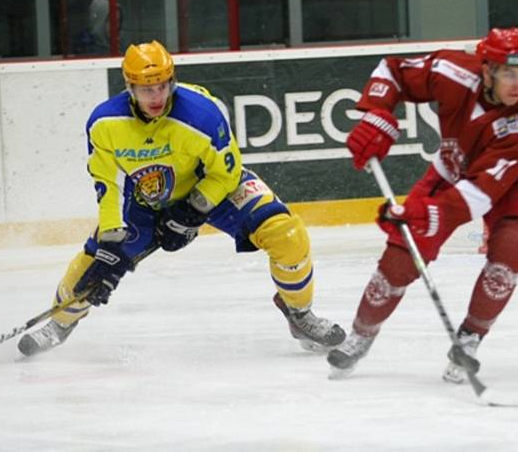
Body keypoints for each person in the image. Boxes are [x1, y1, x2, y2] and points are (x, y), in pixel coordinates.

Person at [18, 40, 345, 357]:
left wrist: (191, 212)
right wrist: (111, 242)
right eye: (147, 89)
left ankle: (300, 315)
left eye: (163, 85)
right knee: (96, 263)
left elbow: (227, 173)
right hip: (145, 199)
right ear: (129, 87)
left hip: (213, 186)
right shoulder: (104, 123)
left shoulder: (203, 113)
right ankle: (60, 323)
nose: (157, 95)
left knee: (286, 232)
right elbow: (108, 184)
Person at [326, 27, 518, 383]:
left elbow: (479, 196)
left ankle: (470, 338)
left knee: (511, 248)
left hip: (517, 185)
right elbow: (393, 70)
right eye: (509, 73)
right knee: (400, 260)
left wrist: (417, 212)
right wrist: (376, 111)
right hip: (451, 170)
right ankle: (362, 335)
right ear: (487, 68)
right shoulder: (453, 70)